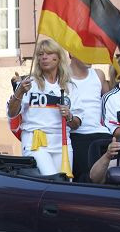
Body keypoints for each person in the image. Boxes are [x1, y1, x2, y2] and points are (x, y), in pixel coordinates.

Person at [7, 39, 82, 176]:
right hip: (36, 141)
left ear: (59, 57)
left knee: (65, 185)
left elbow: (76, 123)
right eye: (40, 54)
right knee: (51, 180)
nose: (44, 57)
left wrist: (69, 116)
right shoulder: (29, 83)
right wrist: (20, 91)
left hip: (62, 142)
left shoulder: (71, 87)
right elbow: (12, 113)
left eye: (49, 53)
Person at [68, 55, 111, 182]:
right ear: (71, 53)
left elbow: (109, 101)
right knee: (86, 180)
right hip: (77, 134)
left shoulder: (98, 74)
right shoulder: (62, 76)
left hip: (103, 133)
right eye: (84, 50)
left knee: (112, 177)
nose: (90, 53)